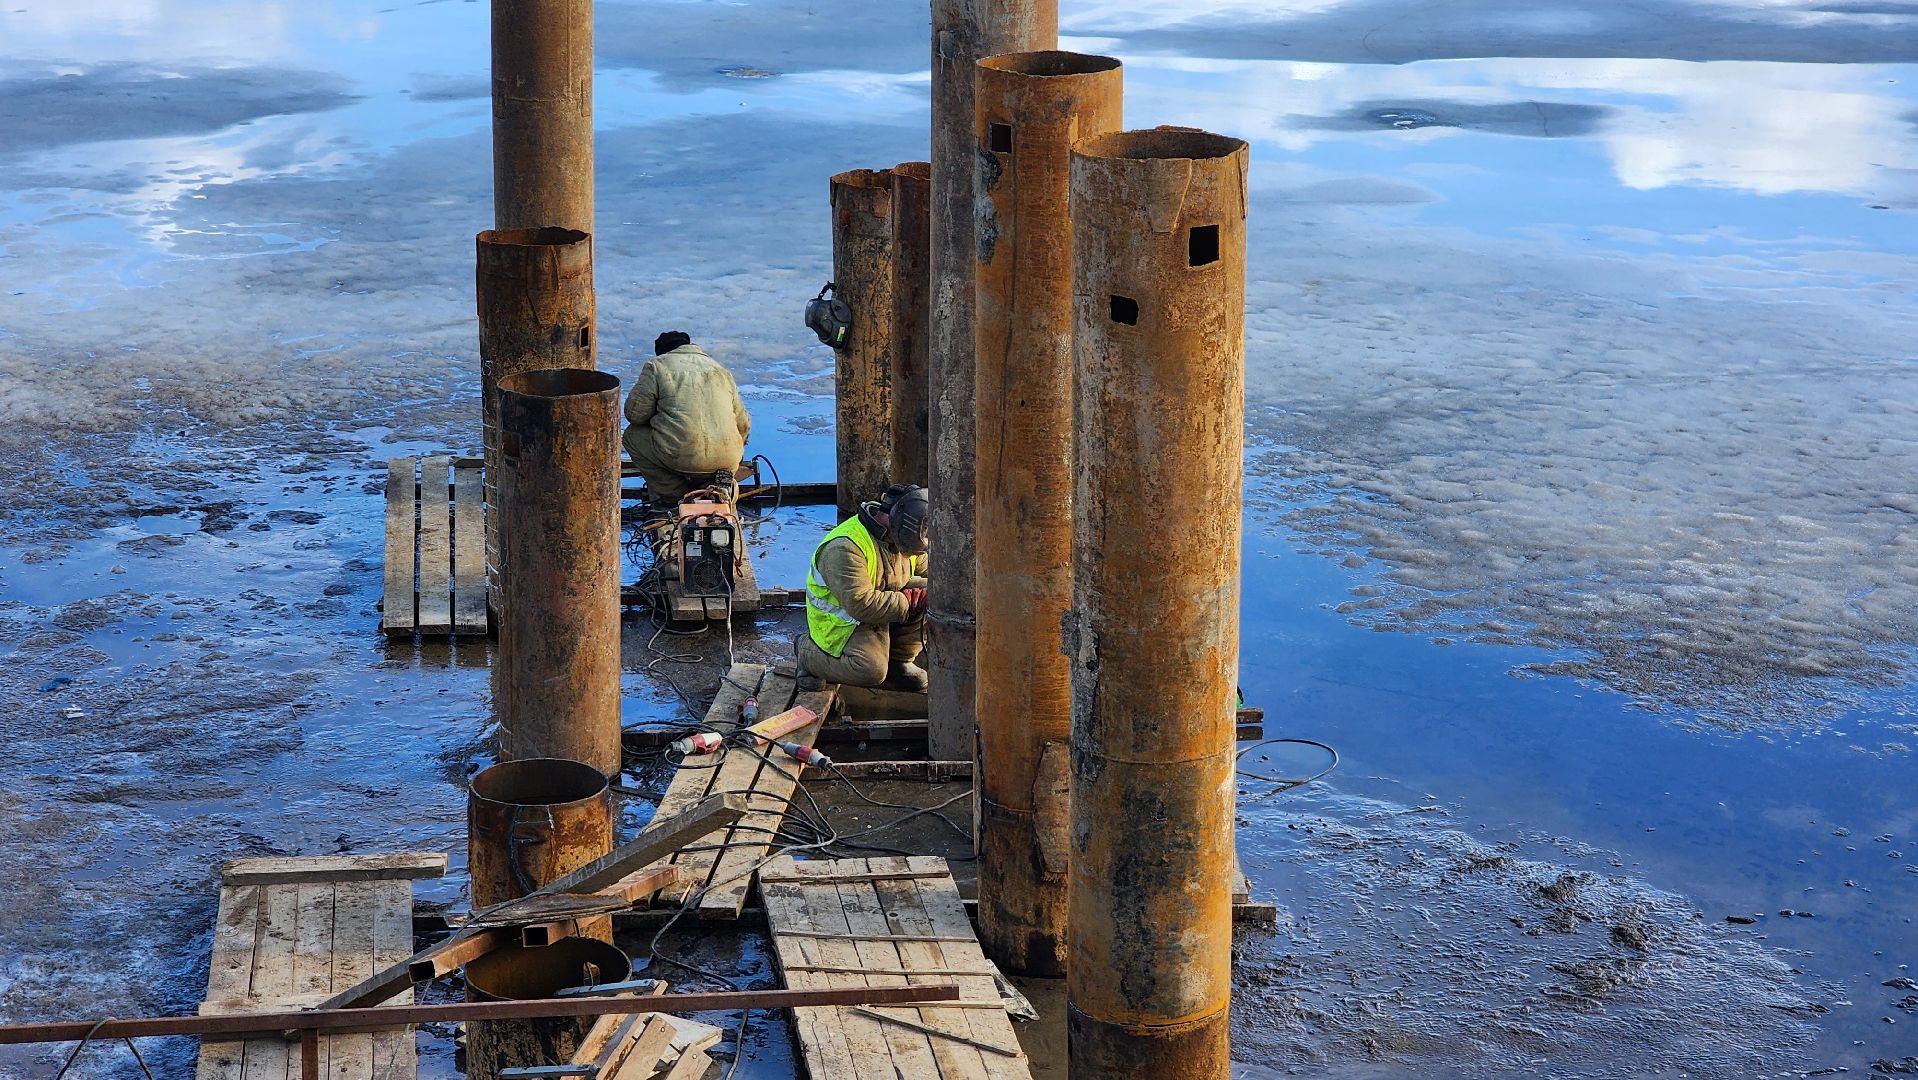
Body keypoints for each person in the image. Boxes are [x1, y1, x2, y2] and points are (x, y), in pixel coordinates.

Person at [797, 484, 930, 691]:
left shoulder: (900, 538)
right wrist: (909, 601)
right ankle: (807, 653)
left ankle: (898, 662)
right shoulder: (845, 547)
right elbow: (861, 604)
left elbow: (932, 571)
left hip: (876, 609)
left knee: (933, 591)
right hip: (844, 625)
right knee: (870, 671)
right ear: (903, 524)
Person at [623, 331, 752, 504]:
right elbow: (743, 425)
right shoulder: (720, 370)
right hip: (727, 458)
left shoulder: (656, 366)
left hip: (681, 456)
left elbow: (635, 415)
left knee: (632, 436)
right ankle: (722, 488)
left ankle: (677, 493)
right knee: (722, 455)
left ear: (663, 352)